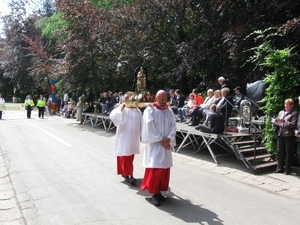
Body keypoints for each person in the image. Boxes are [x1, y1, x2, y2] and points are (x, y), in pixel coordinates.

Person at [141, 90, 176, 206]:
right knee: (156, 169)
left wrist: (169, 139)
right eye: (161, 99)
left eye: (165, 99)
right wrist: (161, 139)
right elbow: (149, 127)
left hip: (166, 144)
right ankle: (154, 193)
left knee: (164, 169)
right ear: (156, 98)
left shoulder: (169, 111)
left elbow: (173, 126)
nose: (163, 101)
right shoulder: (150, 110)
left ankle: (160, 191)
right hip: (155, 144)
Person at [109, 91, 143, 184]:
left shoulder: (137, 110)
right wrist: (121, 109)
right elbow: (112, 116)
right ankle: (130, 175)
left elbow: (142, 123)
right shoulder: (122, 108)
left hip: (134, 138)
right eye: (132, 98)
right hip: (124, 137)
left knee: (131, 155)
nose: (134, 100)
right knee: (125, 155)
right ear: (126, 99)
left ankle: (126, 173)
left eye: (135, 99)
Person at [272, 98, 298, 175]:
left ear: (292, 105)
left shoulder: (294, 113)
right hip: (280, 134)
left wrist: (285, 121)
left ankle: (287, 169)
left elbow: (293, 124)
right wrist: (274, 122)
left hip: (288, 135)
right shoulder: (281, 112)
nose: (286, 106)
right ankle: (279, 168)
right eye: (285, 104)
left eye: (287, 105)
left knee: (288, 152)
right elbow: (278, 122)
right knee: (280, 151)